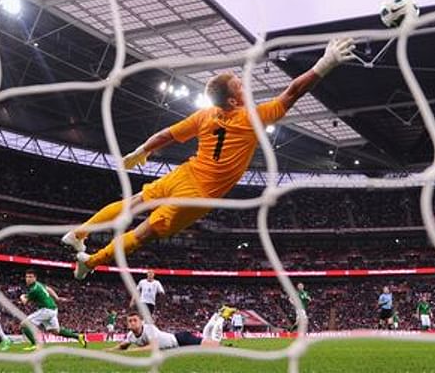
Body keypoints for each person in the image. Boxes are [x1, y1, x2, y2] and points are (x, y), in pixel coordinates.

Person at [60, 39, 357, 279]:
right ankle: (92, 262)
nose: (244, 86)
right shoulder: (251, 117)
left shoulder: (205, 114)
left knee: (134, 202)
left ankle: (79, 233)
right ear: (232, 100)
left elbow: (167, 135)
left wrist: (142, 151)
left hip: (184, 174)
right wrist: (325, 64)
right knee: (143, 232)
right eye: (239, 86)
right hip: (197, 194)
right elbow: (292, 93)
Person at [18, 269, 87, 351]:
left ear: (35, 278)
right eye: (26, 277)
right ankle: (78, 336)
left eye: (30, 277)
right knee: (55, 331)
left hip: (46, 310)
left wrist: (22, 296)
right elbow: (48, 289)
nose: (28, 279)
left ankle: (35, 344)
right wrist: (56, 298)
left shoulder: (34, 289)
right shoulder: (39, 284)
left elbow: (25, 302)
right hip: (53, 309)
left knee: (24, 324)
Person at [108, 313, 219, 352]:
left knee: (211, 346)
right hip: (176, 348)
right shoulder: (131, 336)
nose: (132, 323)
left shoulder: (149, 329)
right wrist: (108, 351)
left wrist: (132, 351)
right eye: (130, 321)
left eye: (135, 320)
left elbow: (153, 346)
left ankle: (229, 348)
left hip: (180, 340)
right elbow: (122, 346)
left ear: (141, 322)